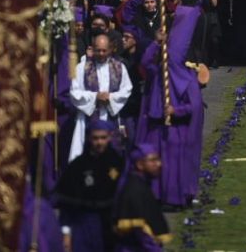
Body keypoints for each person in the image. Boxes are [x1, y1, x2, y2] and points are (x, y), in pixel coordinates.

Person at [135, 0, 204, 209]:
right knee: (155, 161)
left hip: (176, 127)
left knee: (174, 163)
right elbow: (145, 63)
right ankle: (156, 196)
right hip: (157, 123)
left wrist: (176, 109)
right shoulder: (158, 71)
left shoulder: (188, 77)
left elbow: (195, 106)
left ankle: (175, 198)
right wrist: (156, 42)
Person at [55, 119, 123, 251]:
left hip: (111, 226)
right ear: (88, 138)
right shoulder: (77, 166)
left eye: (103, 138)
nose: (99, 142)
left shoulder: (118, 163)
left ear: (109, 137)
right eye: (95, 138)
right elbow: (66, 205)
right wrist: (66, 233)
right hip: (83, 226)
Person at [68, 34, 133, 162]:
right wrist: (95, 97)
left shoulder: (119, 67)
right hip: (88, 118)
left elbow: (127, 89)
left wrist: (111, 97)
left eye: (104, 50)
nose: (102, 53)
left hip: (111, 116)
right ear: (93, 49)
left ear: (110, 49)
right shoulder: (82, 68)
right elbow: (74, 92)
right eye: (98, 50)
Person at [112, 144, 171, 251]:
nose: (159, 164)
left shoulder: (142, 184)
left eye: (158, 159)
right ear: (140, 164)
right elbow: (140, 231)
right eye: (152, 160)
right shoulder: (135, 190)